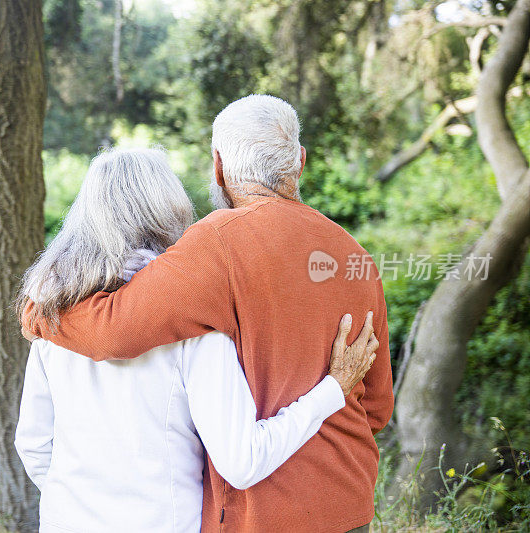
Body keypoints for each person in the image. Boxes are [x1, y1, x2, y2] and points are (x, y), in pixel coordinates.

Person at [23, 96, 394, 533]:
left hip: (266, 513)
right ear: (301, 161)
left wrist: (42, 313)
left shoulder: (215, 245)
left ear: (217, 166)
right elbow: (376, 408)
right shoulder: (356, 257)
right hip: (348, 501)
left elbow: (112, 333)